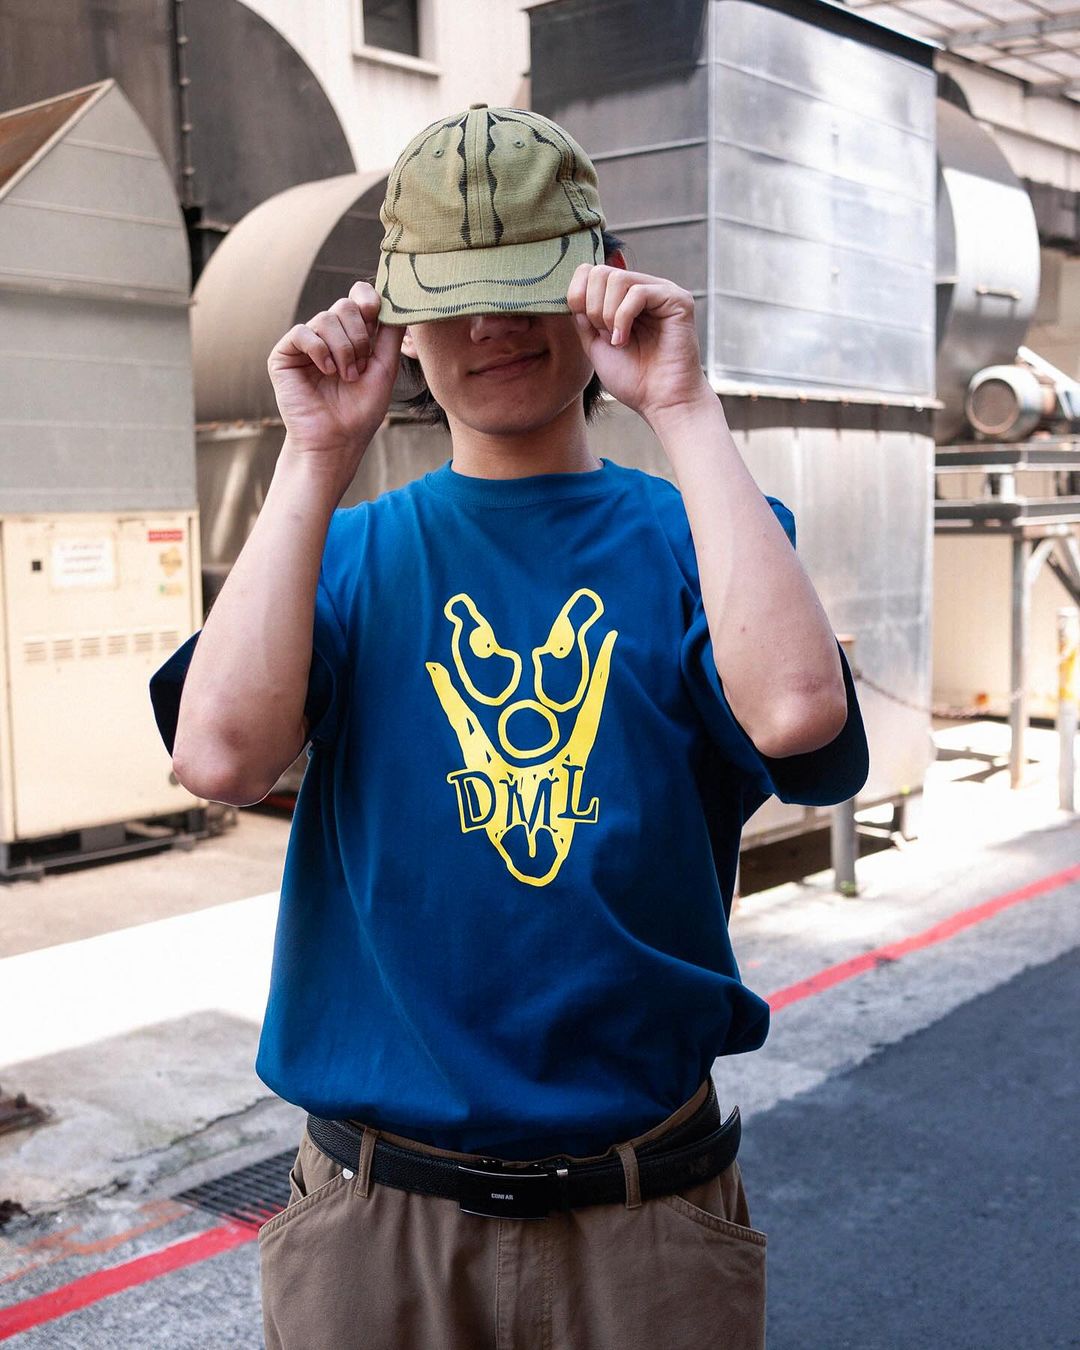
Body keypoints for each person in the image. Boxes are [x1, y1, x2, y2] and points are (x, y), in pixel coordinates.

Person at [149, 103, 869, 1349]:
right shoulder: (349, 549)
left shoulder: (693, 534)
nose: (490, 327)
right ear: (392, 313)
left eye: (530, 288)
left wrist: (684, 407)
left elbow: (800, 717)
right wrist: (314, 456)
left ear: (605, 289)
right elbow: (218, 756)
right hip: (380, 1228)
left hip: (644, 1216)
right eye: (455, 295)